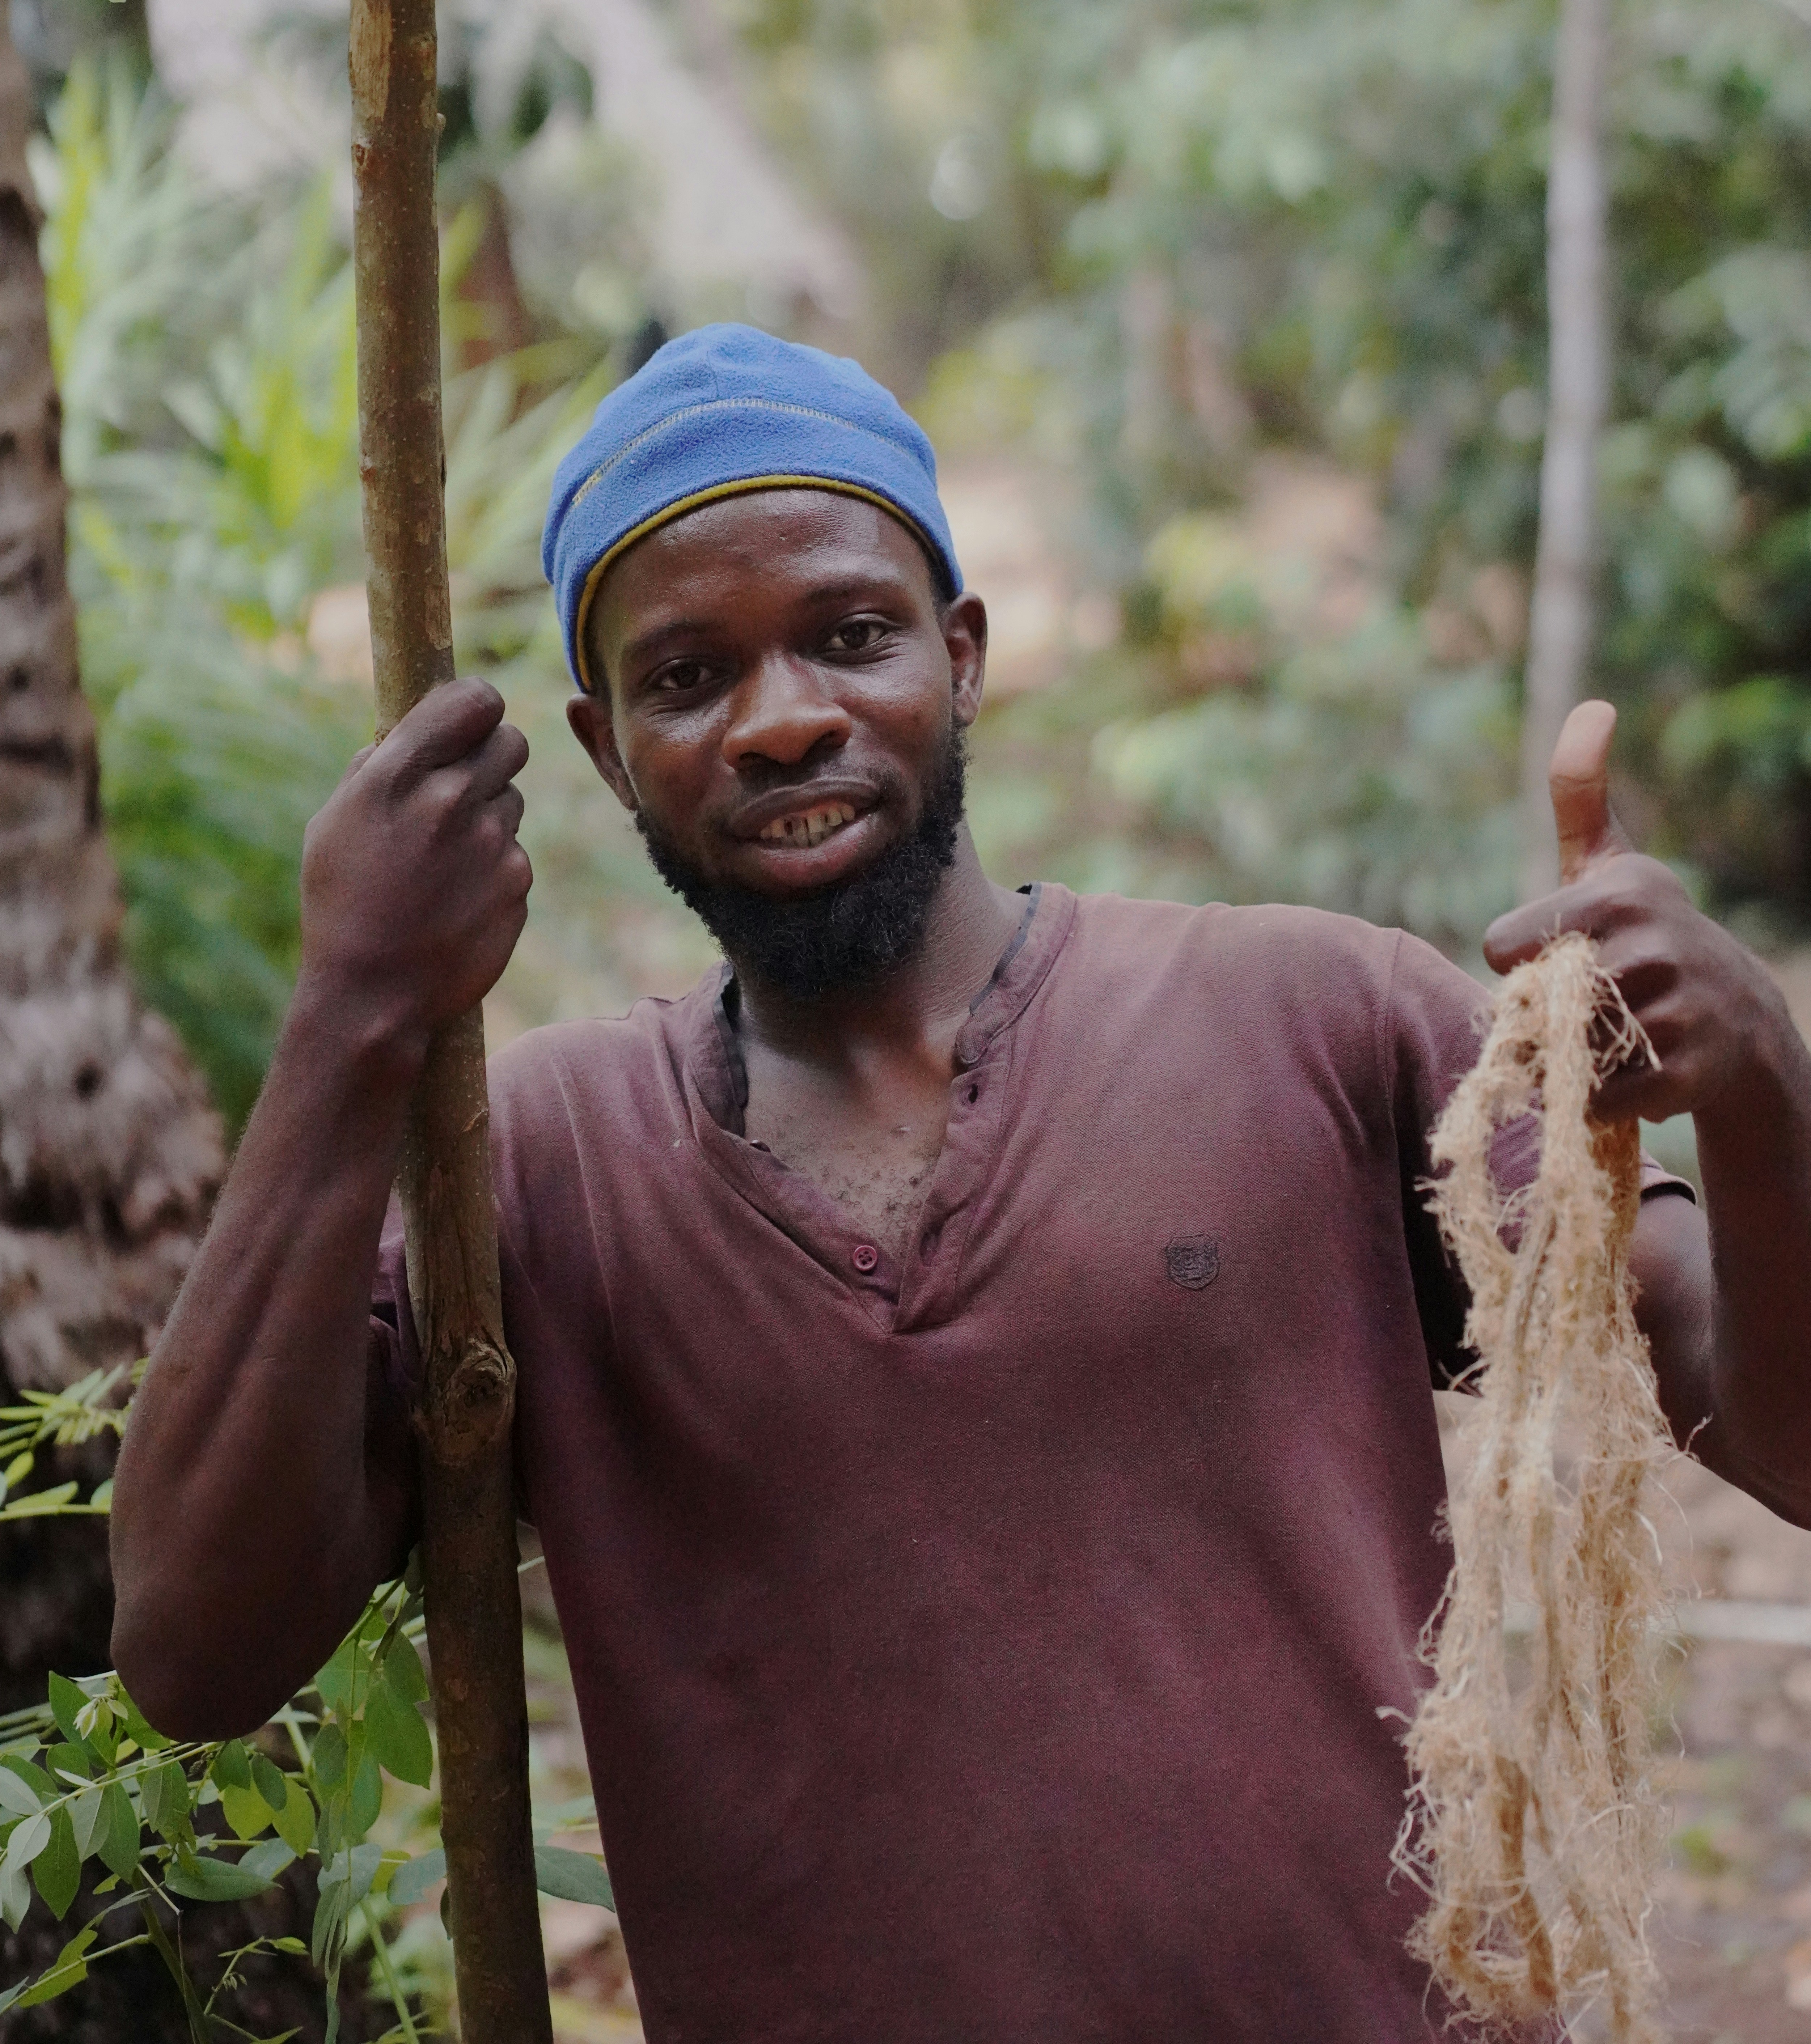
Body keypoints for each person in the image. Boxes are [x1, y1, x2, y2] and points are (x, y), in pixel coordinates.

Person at [111, 324, 1811, 2043]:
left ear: (963, 655)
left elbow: (1783, 1436)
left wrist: (1757, 1091)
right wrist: (353, 1018)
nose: (784, 720)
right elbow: (190, 1648)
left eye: (850, 636)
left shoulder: (1312, 1018)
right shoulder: (540, 1171)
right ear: (606, 748)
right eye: (688, 677)